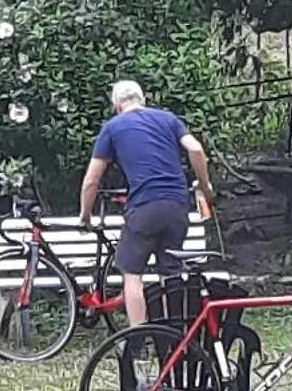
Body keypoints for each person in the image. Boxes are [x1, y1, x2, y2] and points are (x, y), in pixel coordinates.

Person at [78, 80, 214, 328]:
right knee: (171, 271)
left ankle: (138, 338)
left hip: (144, 207)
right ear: (143, 100)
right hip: (177, 205)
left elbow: (91, 181)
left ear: (117, 105)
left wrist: (85, 215)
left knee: (132, 275)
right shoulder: (168, 119)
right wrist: (205, 186)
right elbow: (195, 149)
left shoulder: (113, 127)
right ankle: (178, 334)